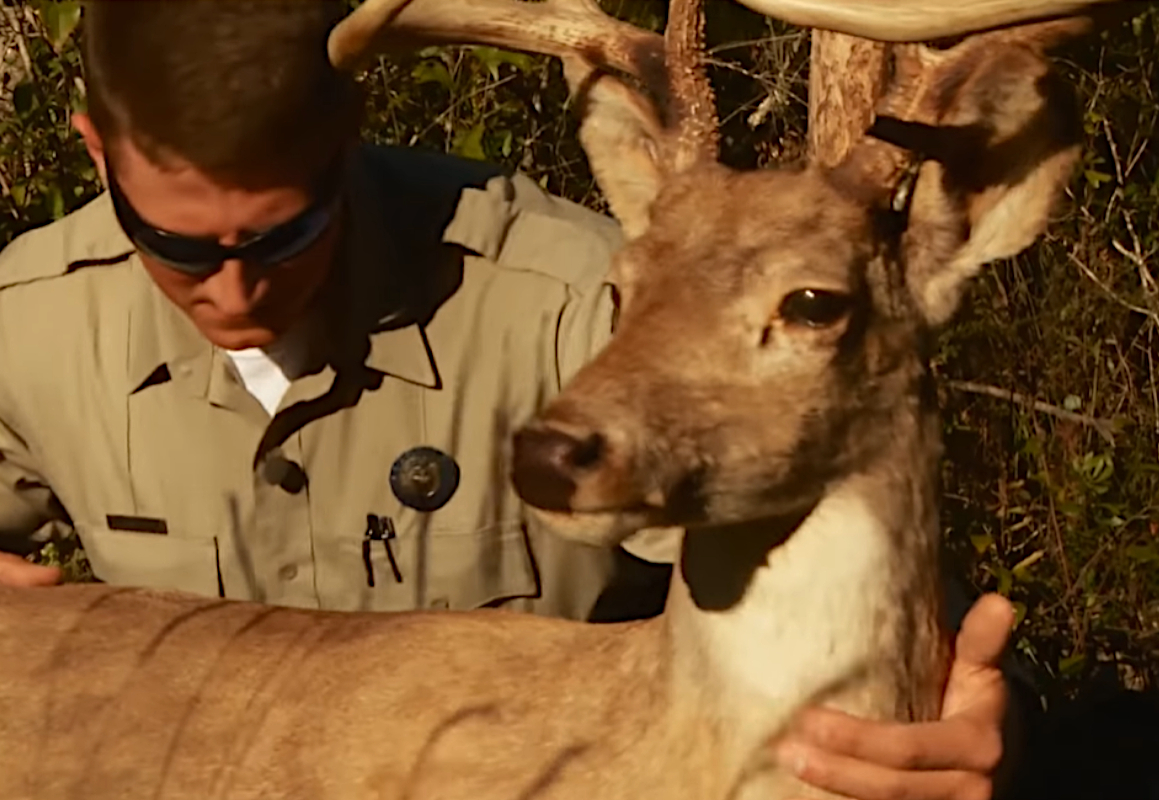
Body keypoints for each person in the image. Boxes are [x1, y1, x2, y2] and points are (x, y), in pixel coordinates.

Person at [0, 2, 1012, 798]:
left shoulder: (581, 300)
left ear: (352, 143)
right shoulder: (29, 317)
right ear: (95, 153)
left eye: (280, 235)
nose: (230, 287)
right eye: (176, 244)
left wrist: (947, 705)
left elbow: (806, 483)